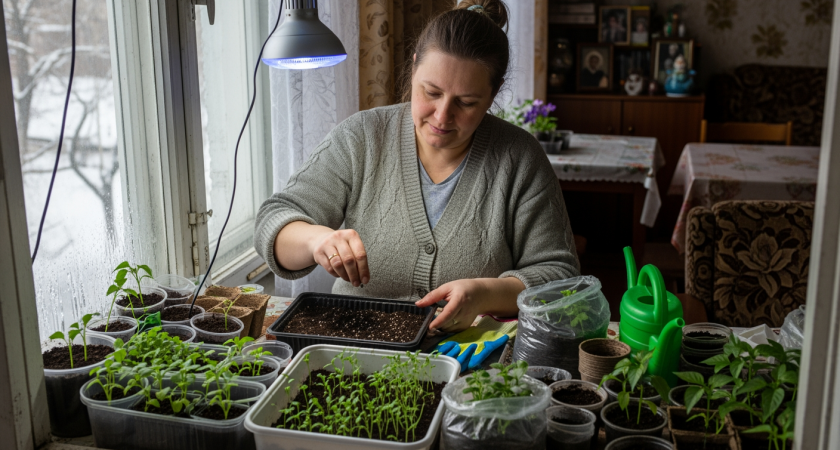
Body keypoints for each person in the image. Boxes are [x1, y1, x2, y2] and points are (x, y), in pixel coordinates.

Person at [255, 0, 579, 333]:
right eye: (431, 92)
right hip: (355, 346)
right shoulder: (361, 137)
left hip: (470, 358)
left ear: (492, 94)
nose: (442, 116)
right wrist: (315, 240)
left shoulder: (519, 157)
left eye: (466, 103)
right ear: (413, 69)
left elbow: (561, 276)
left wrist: (485, 294)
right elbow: (274, 222)